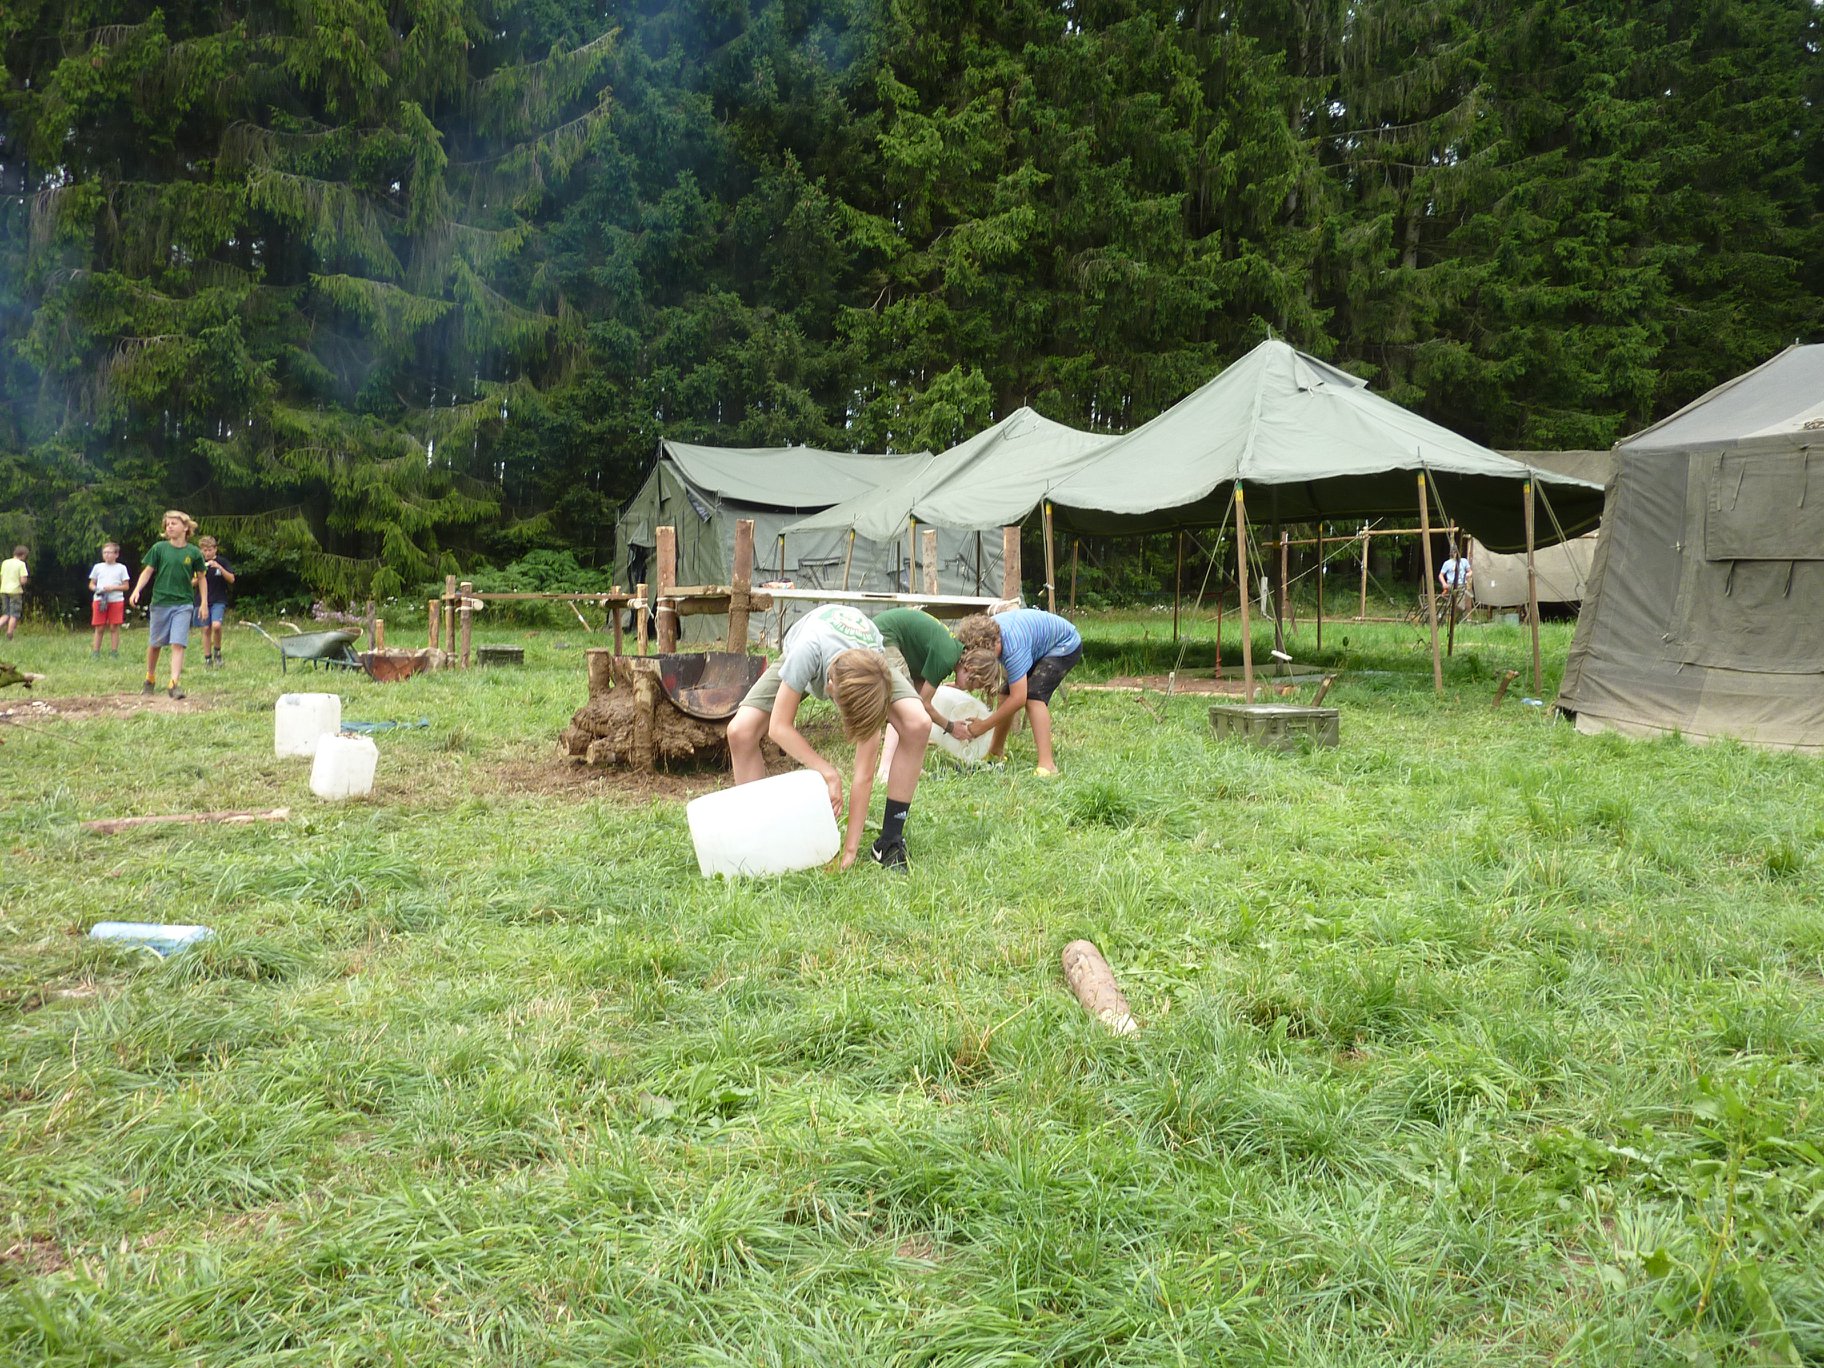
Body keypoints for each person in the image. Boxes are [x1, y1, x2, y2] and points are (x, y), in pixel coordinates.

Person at [725, 602, 932, 870]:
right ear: (829, 688)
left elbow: (864, 772)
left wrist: (850, 850)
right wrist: (827, 772)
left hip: (864, 662)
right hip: (814, 643)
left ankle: (889, 842)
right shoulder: (806, 652)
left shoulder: (871, 677)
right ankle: (759, 839)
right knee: (740, 732)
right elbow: (779, 726)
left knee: (918, 723)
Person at [953, 607, 1083, 776]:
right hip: (1035, 645)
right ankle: (995, 752)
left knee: (1033, 697)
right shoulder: (991, 637)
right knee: (1004, 695)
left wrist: (984, 726)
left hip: (1065, 645)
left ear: (996, 644)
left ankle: (1048, 765)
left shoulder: (1013, 647)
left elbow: (1019, 698)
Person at [128, 511, 206, 699]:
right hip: (161, 602)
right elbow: (147, 571)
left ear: (185, 527)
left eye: (174, 523)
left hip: (184, 604)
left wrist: (203, 603)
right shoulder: (159, 548)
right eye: (167, 524)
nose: (169, 526)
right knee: (155, 644)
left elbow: (202, 579)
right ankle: (150, 678)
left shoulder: (193, 552)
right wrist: (137, 589)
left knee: (178, 643)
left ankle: (174, 684)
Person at [194, 535, 236, 667]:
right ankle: (208, 658)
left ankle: (217, 652)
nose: (207, 553)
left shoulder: (222, 562)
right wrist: (202, 574)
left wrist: (219, 567)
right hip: (202, 601)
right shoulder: (198, 564)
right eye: (204, 550)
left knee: (216, 626)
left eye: (209, 550)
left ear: (215, 549)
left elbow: (232, 579)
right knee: (206, 628)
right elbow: (191, 582)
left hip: (218, 599)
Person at [88, 542, 131, 656]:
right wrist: (97, 589)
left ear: (116, 554)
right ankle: (96, 652)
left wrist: (113, 588)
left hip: (116, 600)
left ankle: (114, 652)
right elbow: (91, 584)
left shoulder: (121, 568)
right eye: (104, 552)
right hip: (100, 599)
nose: (106, 555)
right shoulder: (98, 567)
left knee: (114, 626)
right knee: (100, 627)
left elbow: (126, 586)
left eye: (109, 552)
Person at [0, 546, 26, 640]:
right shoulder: (21, 564)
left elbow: (2, 577)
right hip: (15, 591)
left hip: (3, 590)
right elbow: (23, 580)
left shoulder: (5, 563)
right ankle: (9, 634)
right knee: (14, 614)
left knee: (6, 614)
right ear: (23, 555)